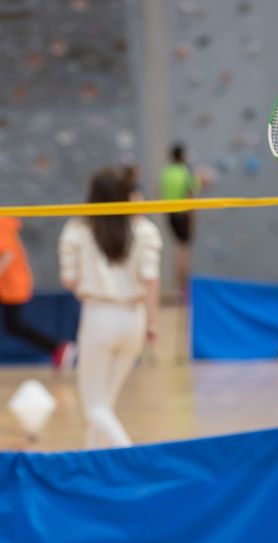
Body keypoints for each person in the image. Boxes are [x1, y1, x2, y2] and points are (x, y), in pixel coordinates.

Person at [59, 167, 162, 449]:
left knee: (94, 407)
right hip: (136, 318)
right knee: (105, 404)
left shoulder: (78, 228)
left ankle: (131, 458)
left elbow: (68, 280)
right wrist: (153, 325)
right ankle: (90, 457)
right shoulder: (144, 228)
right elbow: (151, 280)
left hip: (99, 317)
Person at [0, 217, 75, 370]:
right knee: (13, 325)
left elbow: (7, 254)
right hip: (9, 283)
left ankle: (59, 348)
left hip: (12, 283)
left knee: (14, 325)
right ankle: (58, 348)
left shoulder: (1, 222)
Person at [160, 144, 200, 302]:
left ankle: (179, 289)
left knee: (178, 249)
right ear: (181, 155)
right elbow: (191, 195)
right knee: (184, 252)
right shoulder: (186, 172)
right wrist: (192, 220)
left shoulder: (166, 172)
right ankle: (185, 290)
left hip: (170, 214)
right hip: (184, 215)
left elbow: (160, 191)